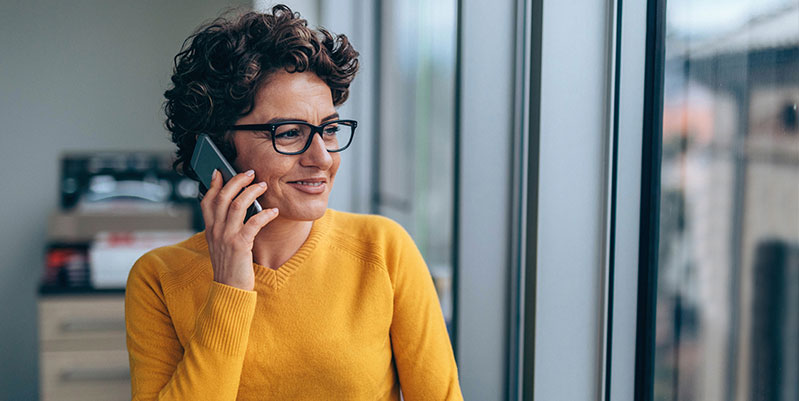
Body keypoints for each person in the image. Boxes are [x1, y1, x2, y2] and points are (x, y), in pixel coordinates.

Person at [124, 5, 462, 400]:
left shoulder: (384, 250)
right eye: (288, 133)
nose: (322, 158)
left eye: (330, 129)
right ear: (216, 148)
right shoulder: (159, 279)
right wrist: (230, 287)